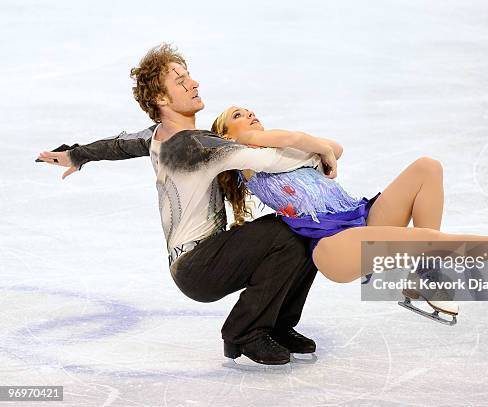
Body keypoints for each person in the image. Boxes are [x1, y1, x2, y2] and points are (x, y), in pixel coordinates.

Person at [36, 44, 343, 366]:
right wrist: (321, 147)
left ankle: (277, 326)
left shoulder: (159, 136)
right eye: (181, 81)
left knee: (299, 229)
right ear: (161, 99)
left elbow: (118, 145)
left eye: (189, 76)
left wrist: (77, 154)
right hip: (201, 265)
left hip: (198, 261)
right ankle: (244, 333)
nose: (193, 84)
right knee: (291, 230)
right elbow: (276, 160)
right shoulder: (196, 146)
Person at [208, 105, 488, 320]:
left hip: (363, 216)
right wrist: (318, 147)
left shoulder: (281, 153)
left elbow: (335, 146)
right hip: (332, 245)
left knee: (427, 167)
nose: (251, 114)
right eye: (239, 114)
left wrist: (321, 147)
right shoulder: (248, 161)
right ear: (226, 135)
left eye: (251, 110)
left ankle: (426, 275)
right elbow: (293, 140)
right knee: (420, 238)